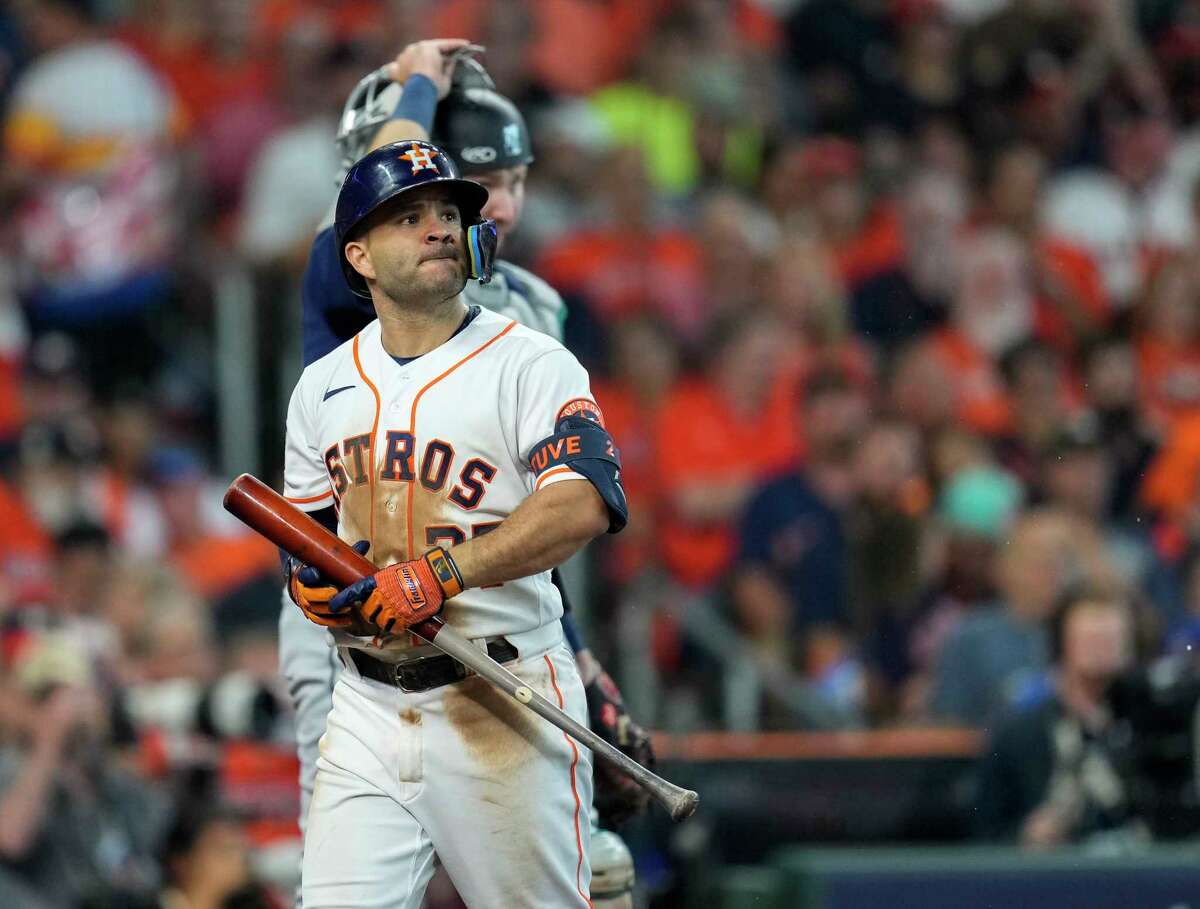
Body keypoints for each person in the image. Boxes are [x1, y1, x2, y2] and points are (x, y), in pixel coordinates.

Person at [277, 42, 653, 883]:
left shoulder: (529, 326)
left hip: (499, 657)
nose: (487, 213)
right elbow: (302, 528)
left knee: (598, 872)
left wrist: (581, 660)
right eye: (414, 212)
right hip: (359, 665)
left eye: (504, 185)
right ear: (362, 249)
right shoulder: (335, 342)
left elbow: (564, 504)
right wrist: (419, 83)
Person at [975, 585, 1146, 847]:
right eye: (1091, 639)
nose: (1101, 650)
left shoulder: (1151, 726)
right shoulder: (1018, 734)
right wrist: (1026, 836)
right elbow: (983, 835)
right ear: (1062, 642)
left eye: (1111, 639)